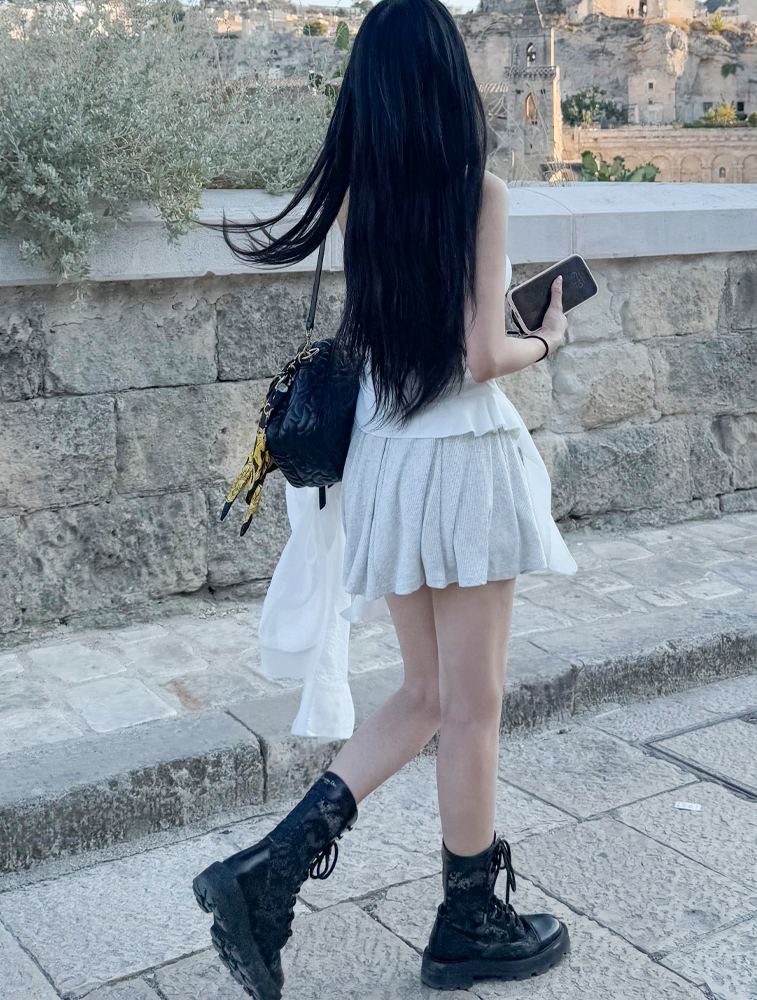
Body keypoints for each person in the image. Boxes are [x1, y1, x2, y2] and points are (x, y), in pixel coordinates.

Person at [192, 0, 577, 996]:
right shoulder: (478, 194)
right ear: (449, 82)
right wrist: (544, 338)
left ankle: (269, 872)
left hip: (391, 467)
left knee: (423, 695)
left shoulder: (359, 202)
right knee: (472, 706)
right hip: (464, 464)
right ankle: (467, 920)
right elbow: (479, 355)